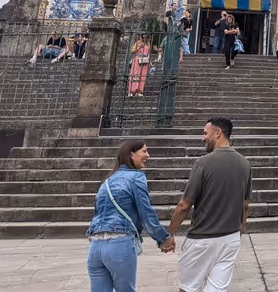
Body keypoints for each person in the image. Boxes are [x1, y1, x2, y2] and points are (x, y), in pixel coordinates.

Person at [168, 117, 252, 292]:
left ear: (218, 133)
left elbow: (184, 205)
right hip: (230, 238)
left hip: (202, 238)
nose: (203, 138)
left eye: (205, 133)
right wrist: (241, 229)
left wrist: (168, 234)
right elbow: (245, 204)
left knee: (188, 288)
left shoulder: (203, 163)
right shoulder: (245, 164)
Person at [86, 140, 174, 292]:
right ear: (132, 154)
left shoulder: (107, 181)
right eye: (144, 151)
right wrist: (163, 238)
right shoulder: (136, 177)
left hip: (95, 246)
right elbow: (146, 213)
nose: (148, 155)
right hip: (119, 244)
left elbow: (97, 213)